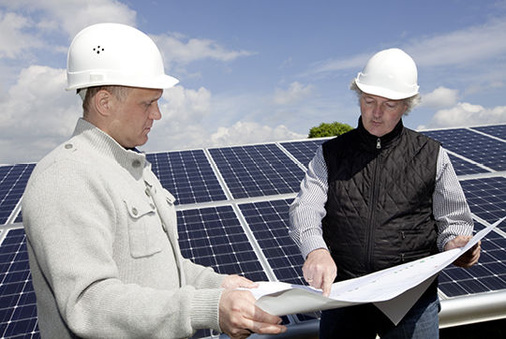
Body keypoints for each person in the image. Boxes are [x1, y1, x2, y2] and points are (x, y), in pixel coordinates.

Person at [22, 23, 286, 339]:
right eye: (147, 103)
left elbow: (160, 271)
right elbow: (89, 302)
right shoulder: (65, 177)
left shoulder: (132, 169)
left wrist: (219, 285)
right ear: (105, 103)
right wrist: (207, 307)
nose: (157, 115)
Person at [288, 48, 480, 339]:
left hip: (412, 301)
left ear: (406, 106)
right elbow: (305, 208)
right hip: (345, 296)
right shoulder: (330, 154)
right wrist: (316, 250)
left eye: (389, 105)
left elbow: (453, 221)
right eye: (369, 101)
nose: (376, 113)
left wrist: (456, 245)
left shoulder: (432, 155)